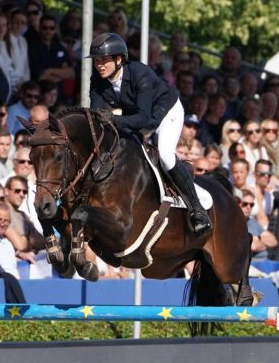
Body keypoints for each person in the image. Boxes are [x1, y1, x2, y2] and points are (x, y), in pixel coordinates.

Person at [87, 32, 209, 234]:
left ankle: (197, 209)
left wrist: (114, 119)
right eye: (96, 61)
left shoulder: (140, 73)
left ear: (119, 59)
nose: (99, 65)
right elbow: (95, 115)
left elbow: (144, 118)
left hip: (165, 112)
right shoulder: (98, 80)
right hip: (134, 115)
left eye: (104, 60)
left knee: (165, 155)